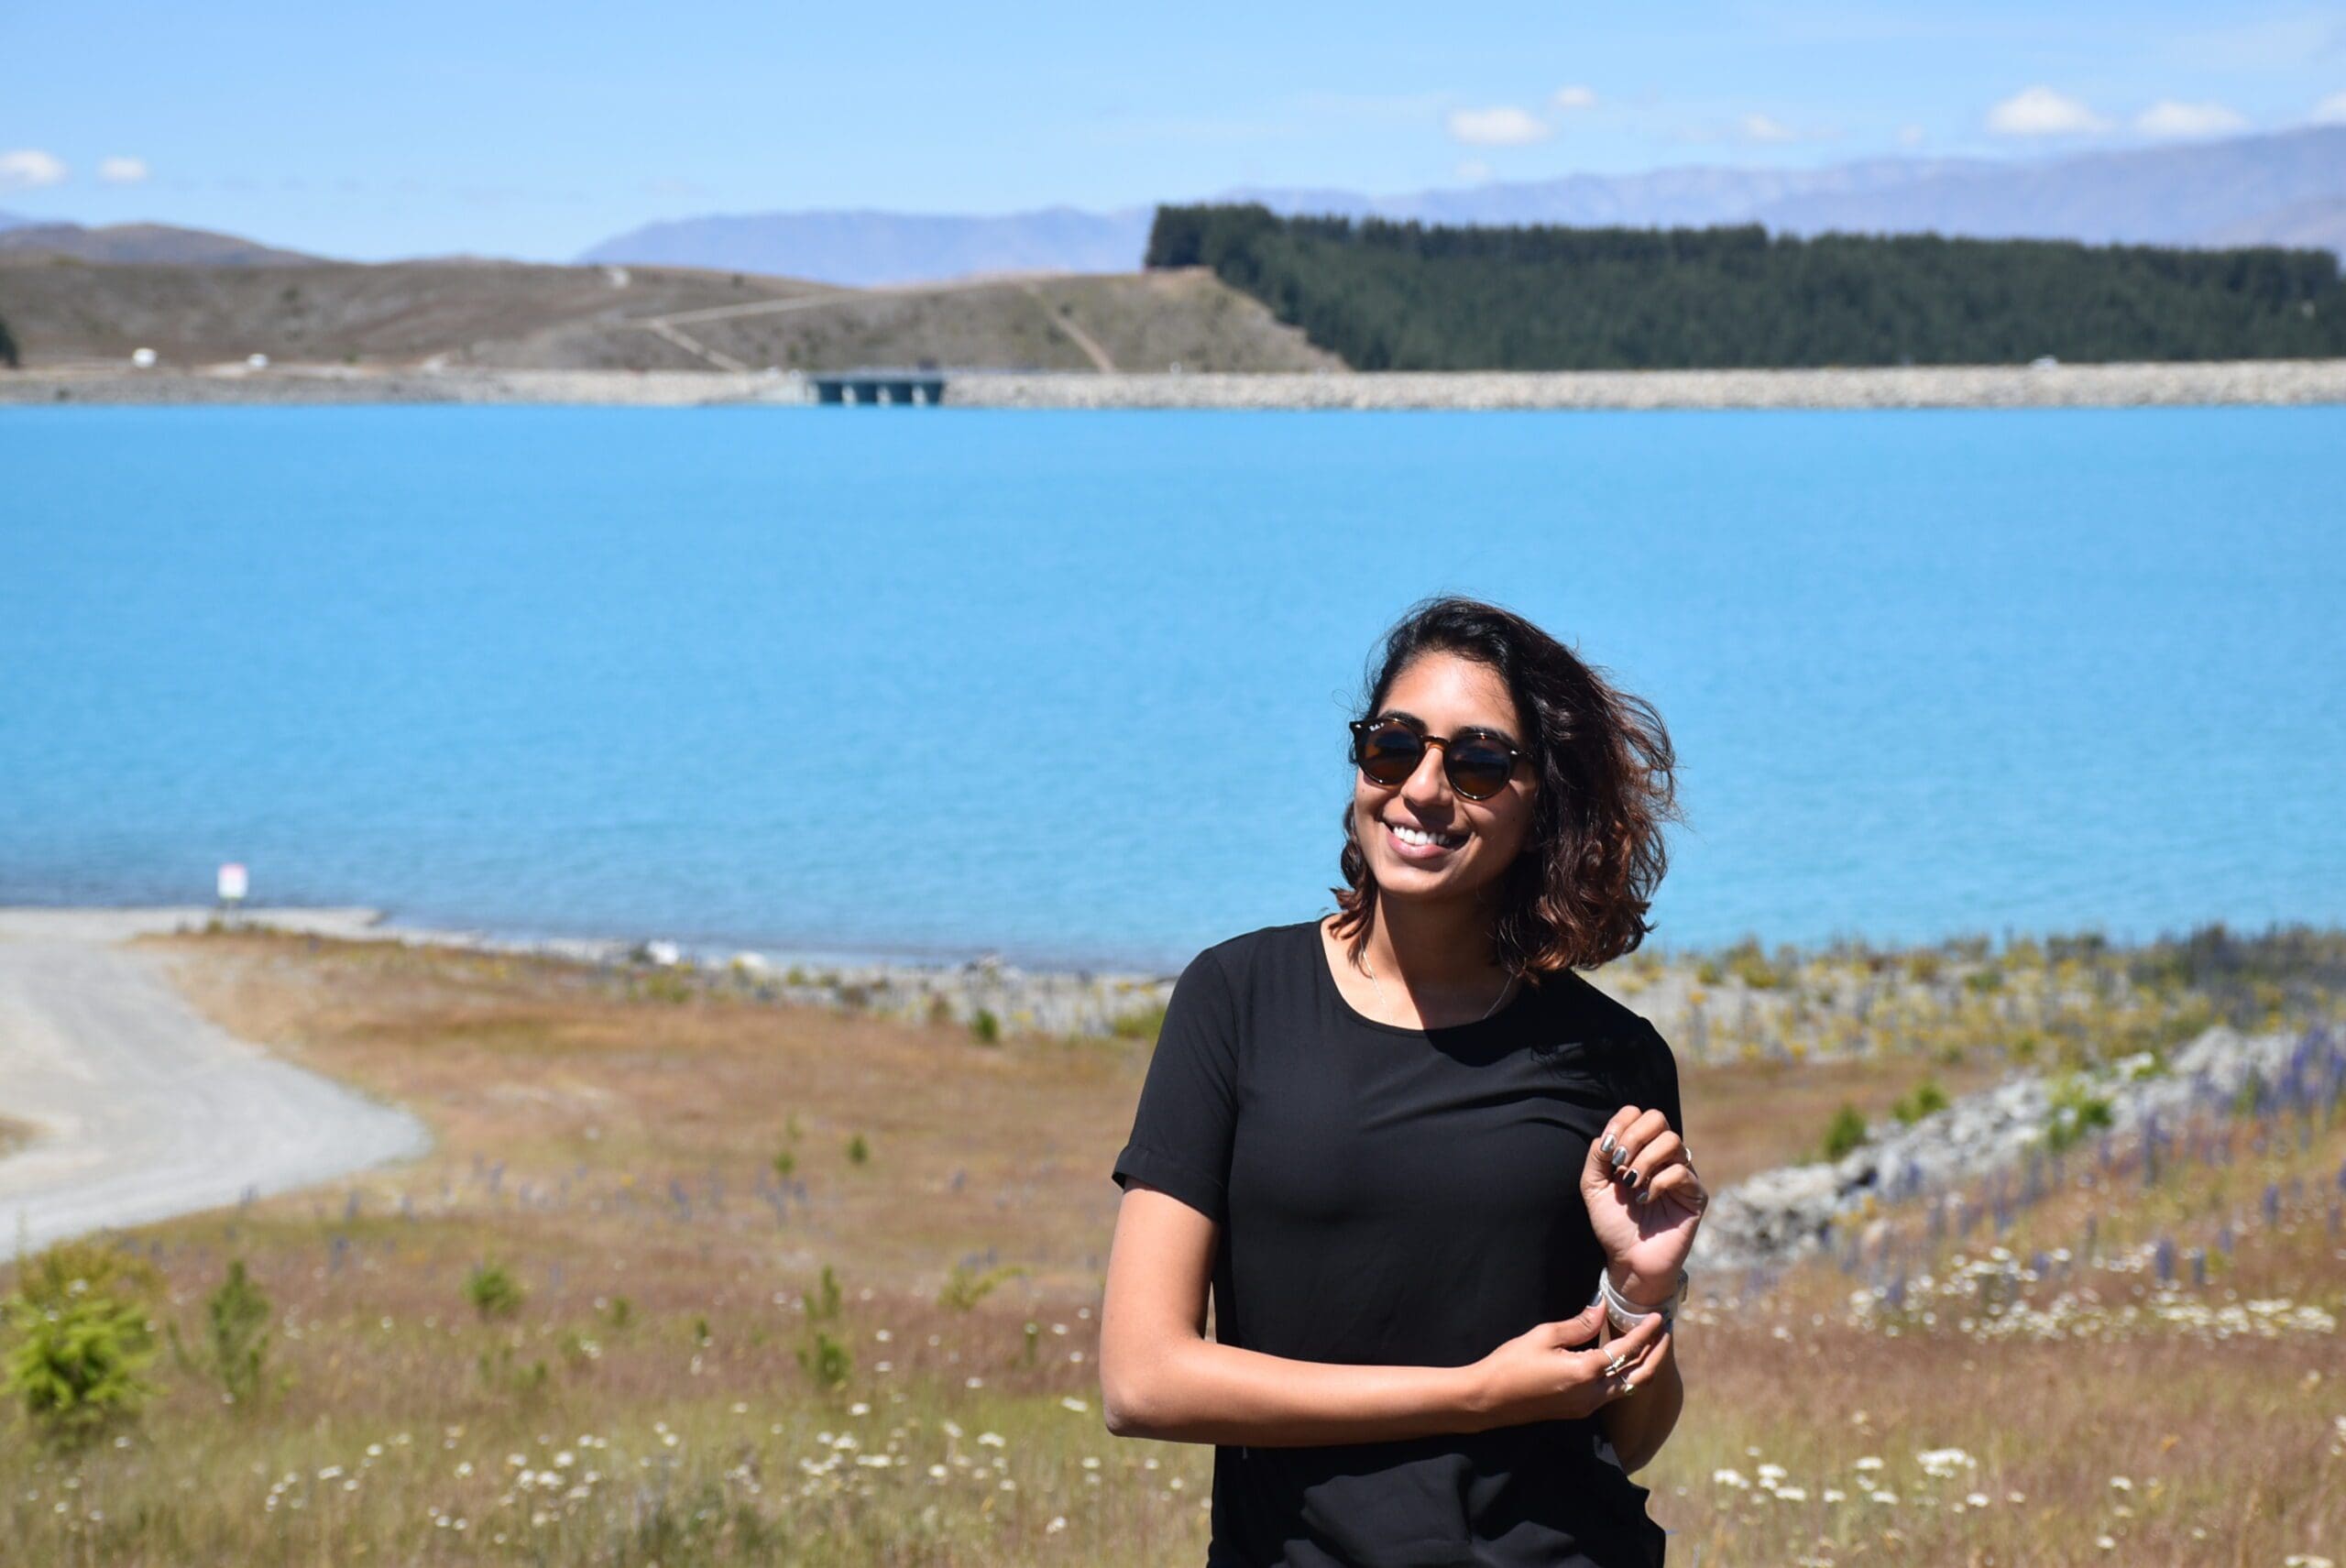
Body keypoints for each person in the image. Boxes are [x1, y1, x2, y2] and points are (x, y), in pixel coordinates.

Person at [1100, 594, 1708, 1568]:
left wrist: (1643, 1292)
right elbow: (1142, 1379)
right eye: (1393, 746)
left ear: (1540, 802)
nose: (1422, 789)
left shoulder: (1612, 1058)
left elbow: (1621, 1440)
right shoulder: (1238, 998)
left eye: (1476, 763)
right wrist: (1472, 1393)